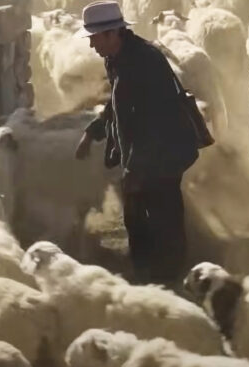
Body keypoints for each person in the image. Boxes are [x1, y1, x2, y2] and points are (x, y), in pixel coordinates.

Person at [73, 1, 199, 284]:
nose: (92, 45)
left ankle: (171, 279)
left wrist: (136, 169)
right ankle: (145, 275)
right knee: (136, 219)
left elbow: (155, 122)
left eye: (94, 38)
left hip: (163, 155)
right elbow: (118, 103)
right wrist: (94, 131)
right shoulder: (117, 59)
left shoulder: (145, 62)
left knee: (164, 218)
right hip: (141, 157)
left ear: (112, 33)